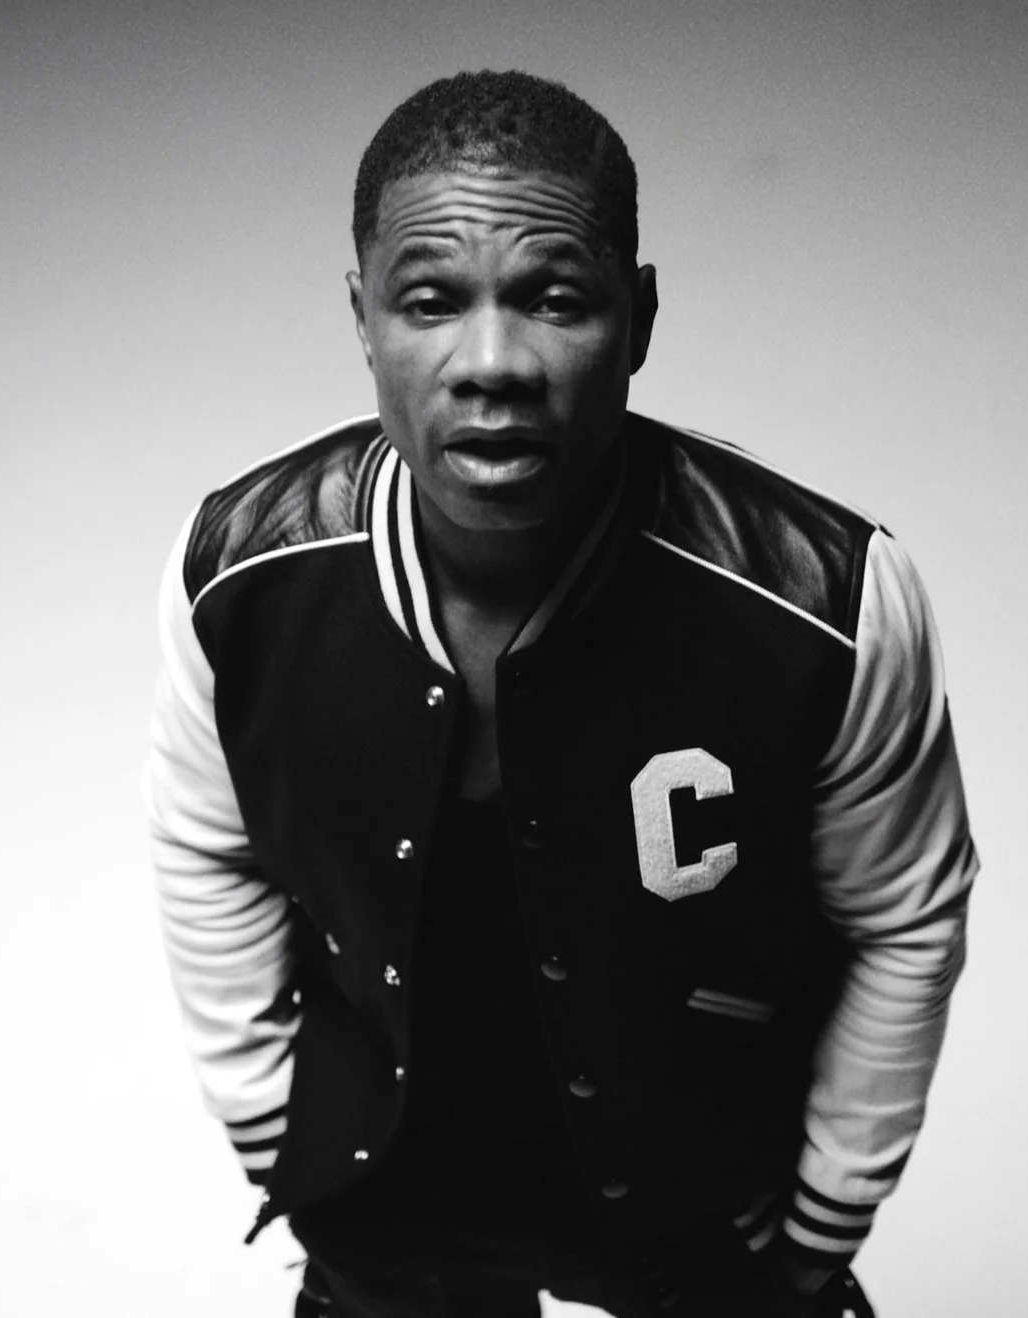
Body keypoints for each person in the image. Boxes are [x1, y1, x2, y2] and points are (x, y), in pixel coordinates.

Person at [141, 70, 979, 1318]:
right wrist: (278, 1132)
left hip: (705, 1198)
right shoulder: (243, 573)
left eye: (554, 299)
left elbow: (902, 919)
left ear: (635, 320)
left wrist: (817, 1224)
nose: (492, 364)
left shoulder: (823, 598)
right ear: (362, 317)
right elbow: (208, 850)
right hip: (395, 1192)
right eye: (430, 302)